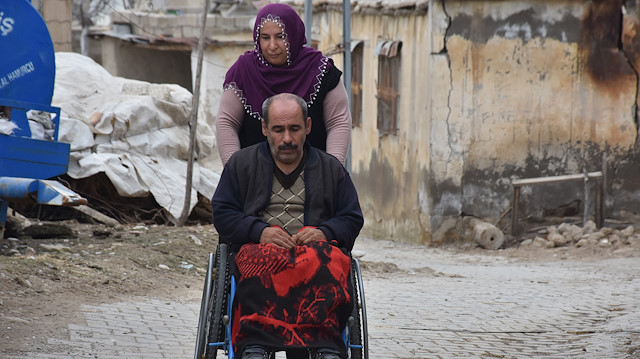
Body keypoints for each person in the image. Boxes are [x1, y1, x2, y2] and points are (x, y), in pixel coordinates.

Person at [211, 93, 363, 359]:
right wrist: (259, 231)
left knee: (328, 259)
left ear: (308, 126)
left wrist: (324, 232)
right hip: (261, 249)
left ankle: (324, 343)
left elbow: (352, 217)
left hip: (312, 252)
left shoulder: (331, 169)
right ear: (264, 128)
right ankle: (256, 341)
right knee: (256, 260)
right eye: (278, 130)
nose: (287, 139)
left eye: (294, 129)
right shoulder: (241, 165)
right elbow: (223, 213)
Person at [216, 2, 352, 166]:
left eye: (280, 37)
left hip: (315, 178)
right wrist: (235, 171)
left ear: (294, 35)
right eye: (265, 38)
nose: (272, 46)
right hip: (254, 180)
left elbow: (338, 122)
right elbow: (226, 123)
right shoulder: (243, 70)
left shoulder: (321, 70)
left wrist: (332, 169)